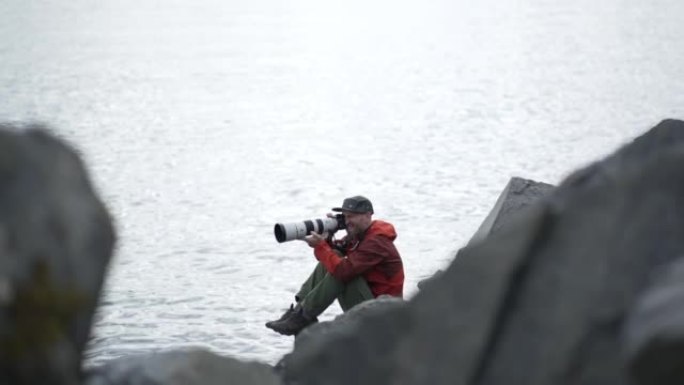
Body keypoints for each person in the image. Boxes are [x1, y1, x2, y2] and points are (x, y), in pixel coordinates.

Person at [265, 195, 405, 336]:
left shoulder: (377, 241)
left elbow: (343, 271)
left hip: (384, 314)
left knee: (342, 272)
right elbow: (332, 255)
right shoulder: (359, 236)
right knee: (334, 258)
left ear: (368, 215)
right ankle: (298, 312)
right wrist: (327, 240)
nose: (347, 221)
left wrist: (321, 246)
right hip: (371, 305)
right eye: (345, 217)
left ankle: (304, 316)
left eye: (351, 217)